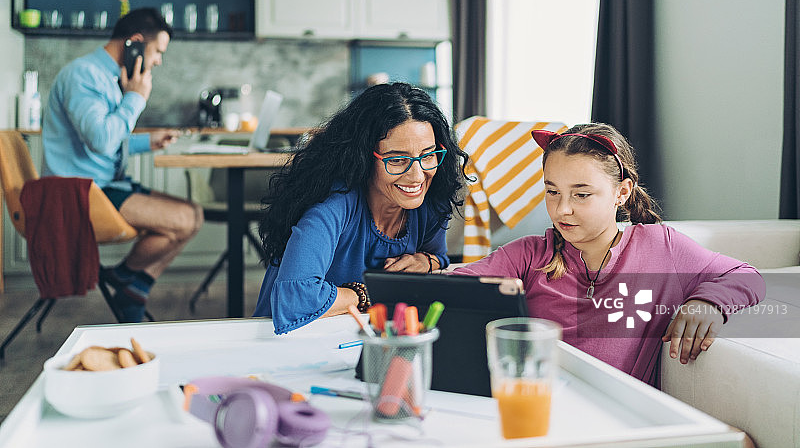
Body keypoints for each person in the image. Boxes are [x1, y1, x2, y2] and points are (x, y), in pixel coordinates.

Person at [443, 122, 765, 386]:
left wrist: (707, 302)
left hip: (617, 416)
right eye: (552, 191)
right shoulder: (527, 255)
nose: (562, 209)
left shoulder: (661, 248)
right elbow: (448, 289)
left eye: (581, 195)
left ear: (621, 193)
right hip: (540, 405)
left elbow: (747, 276)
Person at [253, 83, 469, 334]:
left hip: (355, 334)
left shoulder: (430, 199)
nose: (417, 175)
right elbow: (297, 299)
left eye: (428, 156)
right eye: (398, 160)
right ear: (364, 158)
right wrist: (370, 292)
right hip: (286, 338)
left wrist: (424, 261)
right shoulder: (333, 205)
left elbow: (438, 256)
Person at [42, 7, 204, 323]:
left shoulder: (110, 77)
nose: (158, 60)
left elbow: (108, 140)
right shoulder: (83, 75)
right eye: (158, 51)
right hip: (82, 192)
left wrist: (148, 141)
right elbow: (101, 140)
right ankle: (121, 276)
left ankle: (134, 291)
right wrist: (136, 99)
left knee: (195, 214)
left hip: (106, 185)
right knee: (183, 220)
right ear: (135, 42)